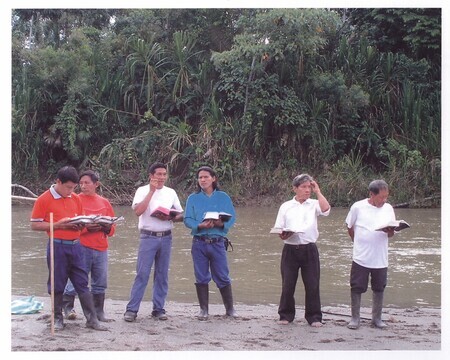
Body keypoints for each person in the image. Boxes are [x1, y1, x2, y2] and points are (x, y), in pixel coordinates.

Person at [30, 166, 106, 331]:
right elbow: (35, 224)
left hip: (76, 245)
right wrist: (58, 224)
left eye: (73, 188)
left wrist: (80, 225)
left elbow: (79, 221)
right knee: (57, 283)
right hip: (57, 245)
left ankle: (92, 319)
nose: (71, 191)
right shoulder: (44, 199)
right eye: (68, 187)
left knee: (82, 283)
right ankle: (57, 318)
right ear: (58, 182)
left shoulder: (75, 198)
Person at [124, 162, 183, 322]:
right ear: (151, 176)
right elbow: (138, 211)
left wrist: (170, 216)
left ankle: (158, 309)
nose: (162, 177)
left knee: (162, 274)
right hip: (148, 236)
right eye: (159, 174)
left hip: (166, 236)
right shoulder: (142, 190)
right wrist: (151, 192)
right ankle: (131, 310)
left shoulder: (171, 192)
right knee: (142, 273)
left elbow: (180, 215)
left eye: (164, 174)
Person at [272, 174, 330, 327]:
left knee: (312, 284)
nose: (307, 190)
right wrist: (284, 234)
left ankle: (314, 317)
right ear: (295, 188)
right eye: (303, 187)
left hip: (309, 248)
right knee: (288, 284)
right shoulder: (286, 206)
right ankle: (285, 315)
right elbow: (279, 228)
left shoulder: (314, 203)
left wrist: (318, 191)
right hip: (290, 249)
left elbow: (326, 210)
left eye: (309, 187)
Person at [183, 166, 237, 321]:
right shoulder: (192, 198)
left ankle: (230, 309)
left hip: (218, 242)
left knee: (222, 275)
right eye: (200, 177)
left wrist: (221, 224)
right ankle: (204, 310)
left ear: (214, 178)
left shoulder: (223, 197)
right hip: (199, 242)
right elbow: (187, 219)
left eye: (206, 177)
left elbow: (232, 217)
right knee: (201, 276)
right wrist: (199, 225)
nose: (203, 180)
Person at [62, 170, 116, 322]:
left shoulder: (104, 202)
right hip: (81, 246)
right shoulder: (74, 199)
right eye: (81, 183)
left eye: (87, 183)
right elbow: (69, 225)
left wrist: (104, 226)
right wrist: (86, 228)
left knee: (100, 281)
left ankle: (99, 312)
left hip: (101, 247)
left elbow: (112, 228)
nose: (83, 186)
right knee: (76, 279)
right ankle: (68, 308)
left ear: (96, 184)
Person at [345, 179, 396, 330]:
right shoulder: (358, 207)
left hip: (380, 257)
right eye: (381, 197)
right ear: (371, 194)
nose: (384, 200)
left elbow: (391, 233)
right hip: (361, 256)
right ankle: (355, 318)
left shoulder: (388, 208)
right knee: (356, 286)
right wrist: (358, 242)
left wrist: (391, 231)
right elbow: (349, 226)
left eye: (386, 197)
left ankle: (377, 318)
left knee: (379, 287)